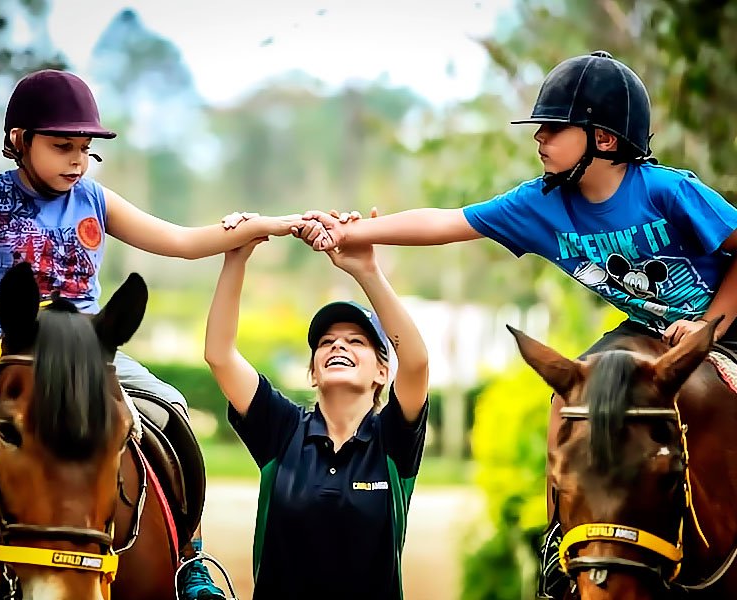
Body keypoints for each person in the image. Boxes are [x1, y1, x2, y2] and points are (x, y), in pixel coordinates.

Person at [291, 51, 737, 598]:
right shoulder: (540, 204)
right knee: (574, 387)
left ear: (604, 138)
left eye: (553, 128)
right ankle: (562, 539)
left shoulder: (668, 191)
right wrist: (350, 233)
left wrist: (708, 325)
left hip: (727, 319)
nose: (539, 139)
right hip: (649, 327)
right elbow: (445, 221)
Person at [0, 69, 304, 600]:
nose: (76, 160)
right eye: (63, 146)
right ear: (19, 140)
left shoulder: (97, 200)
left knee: (171, 407)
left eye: (85, 149)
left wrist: (266, 225)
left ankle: (191, 561)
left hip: (89, 347)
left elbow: (180, 241)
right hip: (2, 347)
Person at [203, 233, 429, 599]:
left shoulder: (393, 439)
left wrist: (368, 272)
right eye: (326, 342)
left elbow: (416, 361)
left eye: (357, 341)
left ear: (382, 373)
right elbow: (219, 354)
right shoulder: (283, 429)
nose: (338, 345)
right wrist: (236, 260)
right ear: (313, 372)